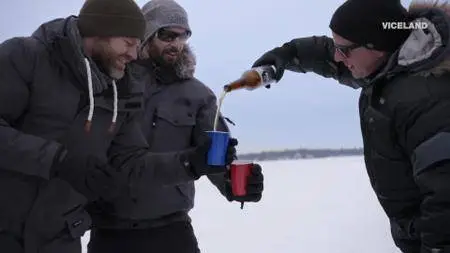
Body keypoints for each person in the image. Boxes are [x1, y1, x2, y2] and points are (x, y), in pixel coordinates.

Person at [0, 0, 238, 252]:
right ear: (100, 31)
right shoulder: (26, 57)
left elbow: (130, 162)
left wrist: (191, 163)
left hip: (58, 239)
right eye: (128, 42)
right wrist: (57, 160)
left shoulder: (119, 90)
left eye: (137, 45)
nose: (133, 54)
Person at [251, 0, 450, 252]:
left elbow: (446, 200)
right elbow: (328, 55)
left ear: (375, 46)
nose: (337, 56)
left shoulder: (429, 99)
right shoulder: (391, 66)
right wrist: (287, 55)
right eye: (337, 47)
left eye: (343, 50)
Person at [86, 1, 265, 253]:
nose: (176, 43)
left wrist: (232, 183)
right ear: (145, 35)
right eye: (167, 34)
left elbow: (215, 153)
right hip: (110, 231)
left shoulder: (198, 95)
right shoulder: (111, 84)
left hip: (172, 230)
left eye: (183, 35)